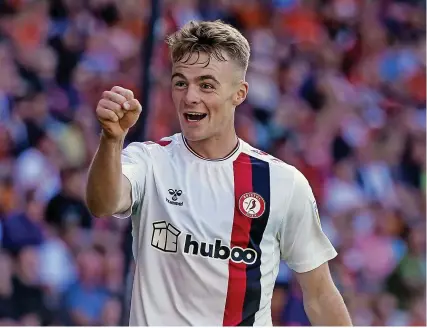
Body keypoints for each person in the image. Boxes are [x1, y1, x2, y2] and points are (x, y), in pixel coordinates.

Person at [86, 20, 352, 326]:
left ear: (239, 93)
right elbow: (102, 203)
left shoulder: (282, 183)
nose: (190, 97)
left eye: (206, 84)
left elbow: (319, 294)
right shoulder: (149, 160)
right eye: (180, 82)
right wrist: (112, 140)